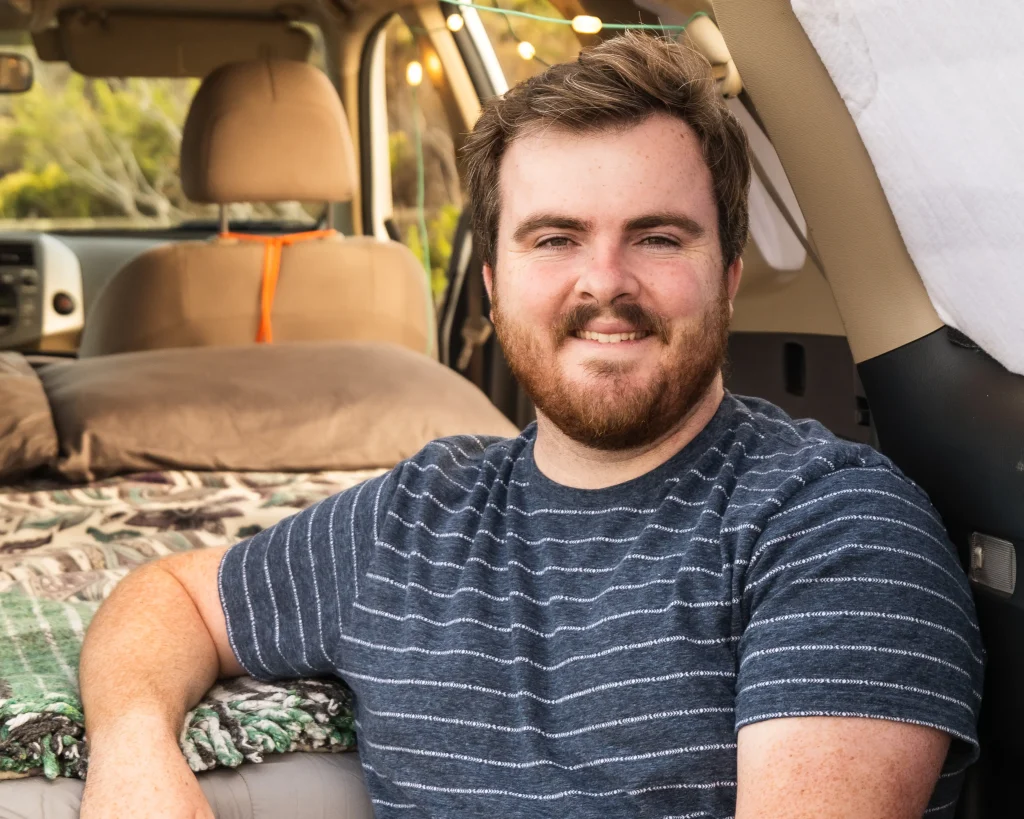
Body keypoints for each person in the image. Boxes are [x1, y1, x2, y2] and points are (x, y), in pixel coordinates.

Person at [79, 31, 982, 819]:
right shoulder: (414, 515)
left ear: (731, 274)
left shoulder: (835, 530)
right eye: (554, 239)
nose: (604, 282)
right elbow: (174, 594)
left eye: (659, 237)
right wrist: (132, 748)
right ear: (493, 285)